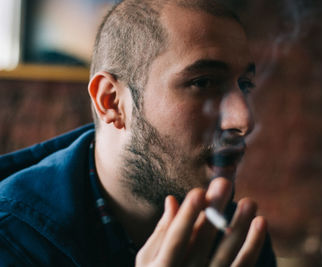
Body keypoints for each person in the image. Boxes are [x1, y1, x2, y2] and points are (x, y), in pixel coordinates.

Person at [0, 0, 276, 265]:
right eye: (203, 83)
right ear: (111, 101)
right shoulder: (13, 241)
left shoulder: (234, 237)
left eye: (245, 85)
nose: (243, 120)